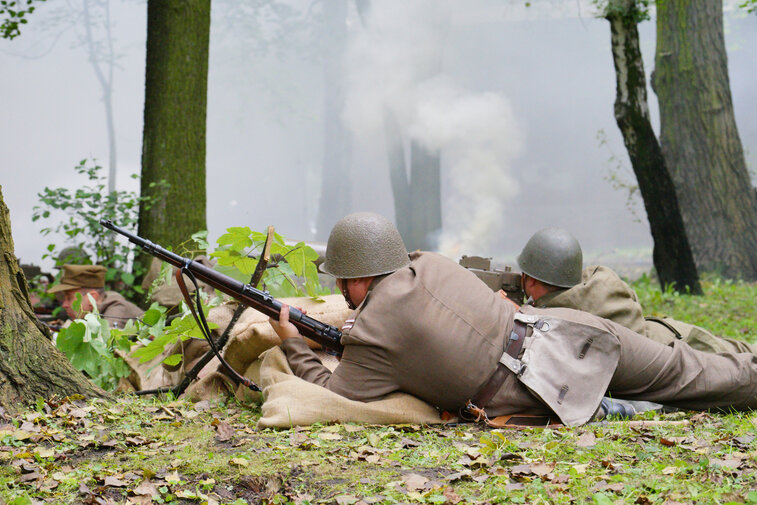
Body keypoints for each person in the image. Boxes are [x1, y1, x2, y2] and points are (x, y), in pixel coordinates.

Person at [268, 212, 757, 427]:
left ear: (357, 278)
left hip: (546, 387)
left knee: (671, 392)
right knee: (688, 371)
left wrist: (291, 339)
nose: (337, 291)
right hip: (569, 332)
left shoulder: (375, 336)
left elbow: (330, 397)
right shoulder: (434, 262)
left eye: (342, 280)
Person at [517, 227, 757, 355]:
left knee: (742, 357)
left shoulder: (567, 313)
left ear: (530, 280)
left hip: (682, 347)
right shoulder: (585, 295)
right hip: (671, 339)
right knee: (739, 352)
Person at [47, 264, 144, 329]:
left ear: (92, 298)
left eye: (69, 298)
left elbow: (102, 345)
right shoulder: (94, 311)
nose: (64, 305)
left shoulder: (116, 309)